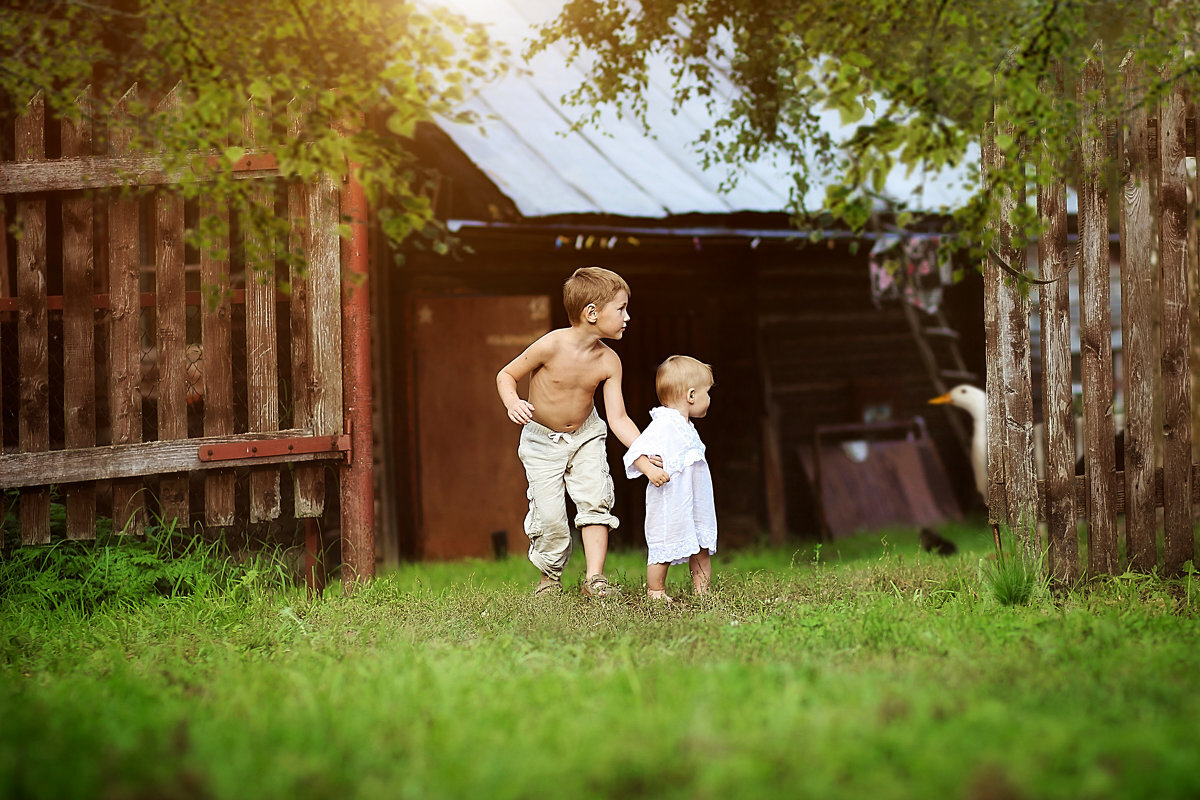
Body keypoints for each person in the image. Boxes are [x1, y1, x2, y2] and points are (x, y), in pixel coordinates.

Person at [496, 266, 657, 598]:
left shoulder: (609, 361)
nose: (628, 317)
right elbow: (506, 375)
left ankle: (594, 579)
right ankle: (550, 578)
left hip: (586, 436)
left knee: (596, 499)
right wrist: (513, 402)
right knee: (550, 515)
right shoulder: (551, 345)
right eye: (621, 308)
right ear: (592, 313)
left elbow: (619, 418)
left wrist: (644, 455)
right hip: (542, 441)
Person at [624, 355, 717, 600]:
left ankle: (702, 593)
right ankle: (656, 591)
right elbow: (635, 452)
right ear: (692, 395)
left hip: (695, 502)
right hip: (671, 502)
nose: (710, 399)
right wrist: (651, 470)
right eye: (708, 393)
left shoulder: (686, 426)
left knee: (701, 547)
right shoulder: (663, 424)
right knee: (664, 546)